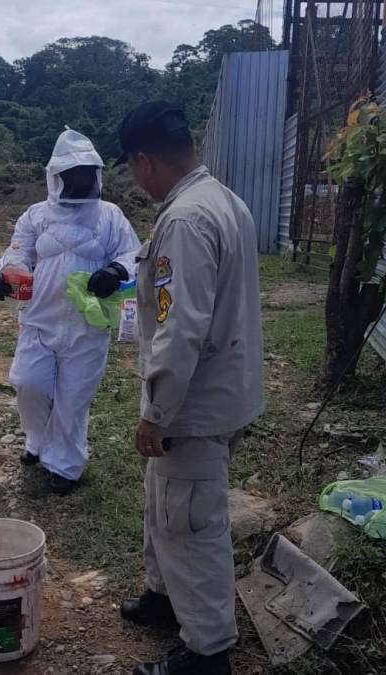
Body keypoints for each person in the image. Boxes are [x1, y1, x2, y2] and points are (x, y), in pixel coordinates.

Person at [116, 101, 265, 675]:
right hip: (225, 391)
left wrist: (156, 412)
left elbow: (181, 330)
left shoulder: (183, 220)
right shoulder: (225, 201)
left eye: (133, 168)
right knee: (166, 499)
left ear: (145, 161)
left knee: (192, 521)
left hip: (195, 405)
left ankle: (208, 653)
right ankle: (163, 596)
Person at [0, 128, 140, 495]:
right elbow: (18, 252)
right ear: (56, 176)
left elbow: (133, 255)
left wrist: (115, 271)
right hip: (38, 319)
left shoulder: (110, 216)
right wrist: (3, 273)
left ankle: (65, 466)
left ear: (96, 174)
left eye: (85, 173)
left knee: (73, 398)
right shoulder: (35, 216)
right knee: (29, 383)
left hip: (88, 324)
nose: (80, 180)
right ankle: (37, 441)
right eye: (72, 174)